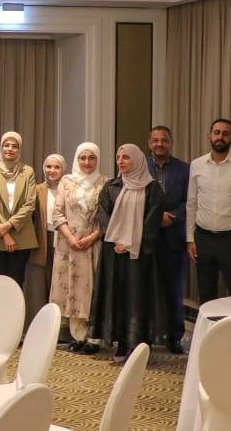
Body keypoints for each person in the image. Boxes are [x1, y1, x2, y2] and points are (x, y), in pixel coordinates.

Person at [90, 143, 173, 363]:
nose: (121, 161)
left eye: (126, 157)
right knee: (117, 296)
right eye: (118, 157)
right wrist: (116, 239)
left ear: (137, 160)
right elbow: (103, 214)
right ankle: (121, 344)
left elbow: (152, 221)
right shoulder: (111, 186)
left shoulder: (152, 188)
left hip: (140, 254)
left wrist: (129, 243)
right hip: (114, 253)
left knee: (138, 298)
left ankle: (138, 345)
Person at [186, 118, 231, 303]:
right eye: (216, 133)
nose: (220, 137)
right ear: (209, 136)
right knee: (206, 294)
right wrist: (190, 239)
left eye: (225, 133)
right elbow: (191, 203)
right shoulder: (197, 165)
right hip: (203, 239)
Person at [53, 142, 106, 353]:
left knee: (92, 289)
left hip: (93, 245)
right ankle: (78, 336)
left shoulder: (105, 183)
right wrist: (70, 237)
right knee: (72, 288)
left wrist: (92, 237)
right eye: (82, 158)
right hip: (68, 246)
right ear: (77, 159)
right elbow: (58, 214)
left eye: (91, 158)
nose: (87, 162)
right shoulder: (66, 181)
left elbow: (107, 217)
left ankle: (94, 338)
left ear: (97, 160)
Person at [146, 125, 190, 353]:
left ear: (171, 143)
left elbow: (190, 200)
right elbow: (133, 197)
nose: (159, 144)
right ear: (149, 143)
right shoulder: (140, 167)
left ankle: (174, 337)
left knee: (173, 288)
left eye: (164, 140)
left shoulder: (184, 169)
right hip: (146, 237)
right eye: (155, 140)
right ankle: (146, 335)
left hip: (174, 236)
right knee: (145, 288)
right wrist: (156, 217)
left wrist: (171, 216)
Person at [0, 132, 40, 285]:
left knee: (16, 282)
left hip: (22, 236)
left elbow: (30, 203)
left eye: (14, 146)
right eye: (6, 145)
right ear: (1, 147)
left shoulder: (27, 171)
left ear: (19, 149)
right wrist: (5, 233)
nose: (10, 149)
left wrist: (9, 225)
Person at [25, 154, 65, 325]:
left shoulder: (69, 189)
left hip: (64, 240)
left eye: (56, 167)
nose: (52, 170)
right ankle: (36, 326)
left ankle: (59, 328)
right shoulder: (36, 189)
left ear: (63, 169)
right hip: (41, 240)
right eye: (48, 166)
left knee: (60, 285)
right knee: (37, 286)